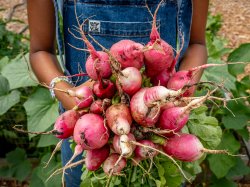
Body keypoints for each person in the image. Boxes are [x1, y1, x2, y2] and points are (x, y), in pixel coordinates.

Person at [27, 0, 209, 186]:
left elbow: (197, 45)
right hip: (85, 135)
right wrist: (73, 99)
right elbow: (40, 51)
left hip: (162, 135)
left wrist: (180, 91)